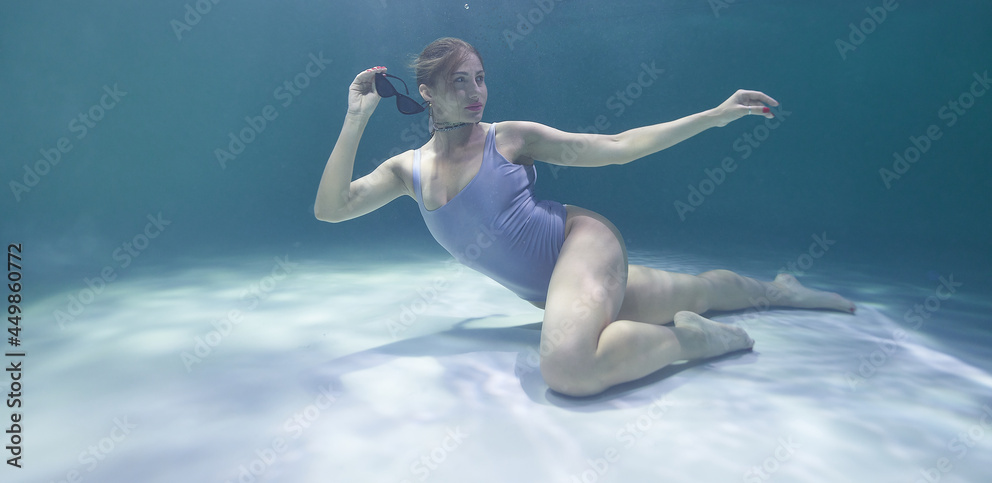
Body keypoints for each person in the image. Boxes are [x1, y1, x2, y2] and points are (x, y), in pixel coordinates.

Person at [315, 37, 855, 397]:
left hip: (583, 244)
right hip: (558, 288)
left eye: (480, 78)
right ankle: (781, 289)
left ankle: (704, 342)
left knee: (567, 369)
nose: (477, 91)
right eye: (460, 82)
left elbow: (617, 145)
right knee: (690, 292)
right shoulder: (404, 171)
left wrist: (713, 117)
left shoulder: (510, 137)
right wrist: (355, 118)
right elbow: (331, 210)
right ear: (427, 93)